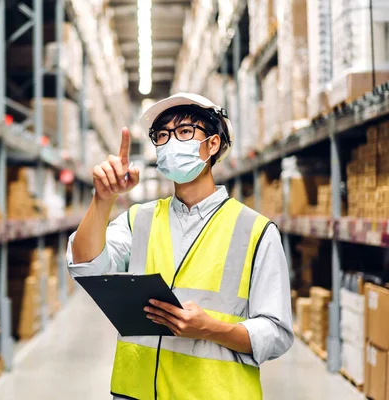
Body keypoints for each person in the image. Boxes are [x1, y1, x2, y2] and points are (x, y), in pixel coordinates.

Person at [67, 93, 294, 400]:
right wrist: (103, 200)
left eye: (185, 132)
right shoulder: (140, 219)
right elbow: (86, 265)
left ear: (212, 144)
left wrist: (211, 328)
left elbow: (276, 334)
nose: (171, 142)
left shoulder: (256, 231)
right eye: (162, 136)